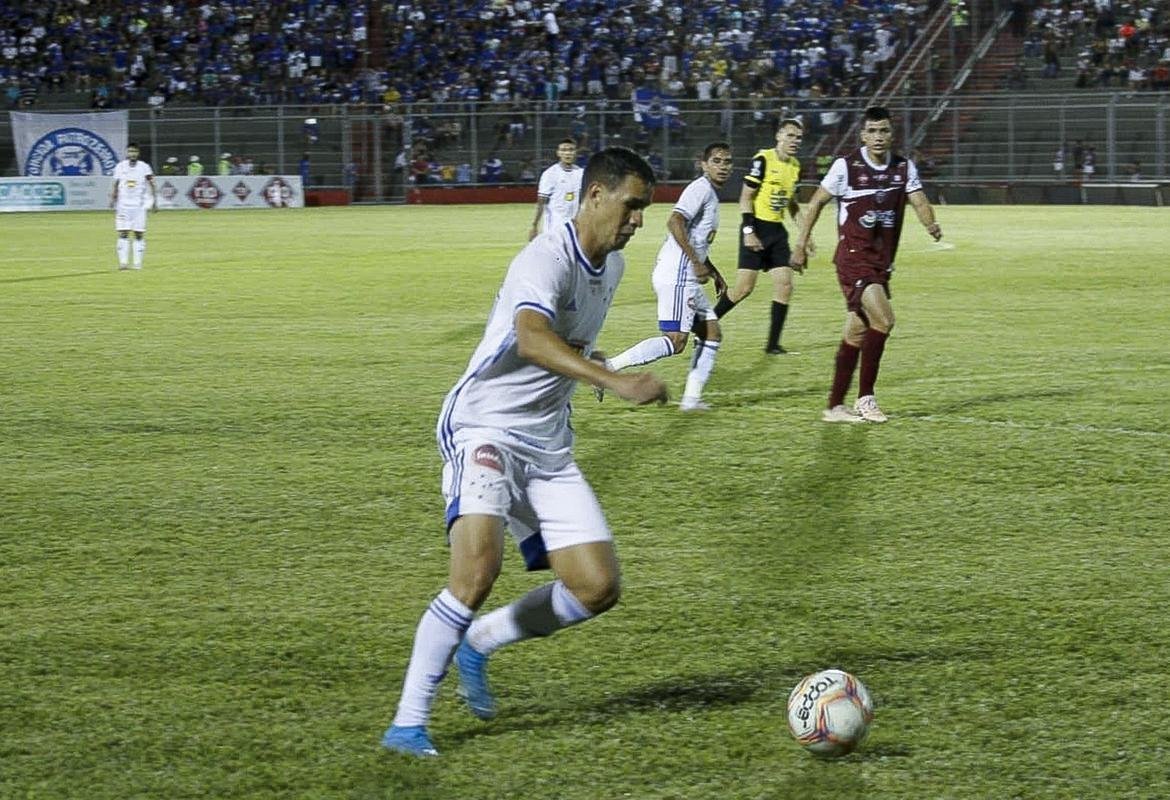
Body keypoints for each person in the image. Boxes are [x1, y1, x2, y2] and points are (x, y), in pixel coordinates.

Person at [381, 148, 667, 759]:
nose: (638, 220)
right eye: (631, 206)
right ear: (595, 196)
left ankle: (480, 642)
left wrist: (596, 366)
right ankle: (408, 723)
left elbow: (565, 346)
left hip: (547, 444)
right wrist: (612, 381)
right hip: (484, 426)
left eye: (644, 209)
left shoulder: (611, 266)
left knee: (596, 587)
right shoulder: (546, 256)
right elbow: (532, 338)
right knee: (476, 572)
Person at [791, 106, 942, 424]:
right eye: (872, 131)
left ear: (892, 134)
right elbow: (816, 202)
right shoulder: (846, 167)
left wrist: (931, 224)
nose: (878, 136)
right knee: (884, 320)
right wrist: (801, 244)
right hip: (853, 259)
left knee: (857, 332)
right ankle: (865, 398)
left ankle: (834, 406)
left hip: (880, 263)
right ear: (862, 135)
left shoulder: (903, 168)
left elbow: (918, 199)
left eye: (883, 130)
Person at [602, 142, 733, 411]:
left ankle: (691, 401)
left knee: (711, 333)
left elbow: (697, 239)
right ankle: (608, 368)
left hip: (686, 274)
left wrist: (713, 271)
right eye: (717, 161)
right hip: (679, 274)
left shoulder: (709, 194)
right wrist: (695, 262)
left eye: (727, 162)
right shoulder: (700, 189)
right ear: (704, 164)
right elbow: (675, 221)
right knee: (676, 341)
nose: (723, 166)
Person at [714, 118, 810, 355]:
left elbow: (791, 204)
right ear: (779, 136)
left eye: (798, 137)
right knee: (743, 289)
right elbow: (745, 197)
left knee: (785, 285)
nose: (795, 141)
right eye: (790, 135)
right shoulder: (763, 159)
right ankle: (702, 326)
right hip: (756, 228)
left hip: (777, 232)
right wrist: (748, 232)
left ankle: (773, 344)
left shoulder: (795, 166)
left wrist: (805, 235)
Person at [109, 142, 157, 270]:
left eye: (134, 151)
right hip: (123, 206)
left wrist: (154, 201)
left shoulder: (144, 167)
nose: (132, 154)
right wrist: (113, 198)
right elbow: (116, 184)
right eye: (130, 151)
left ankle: (137, 264)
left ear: (138, 153)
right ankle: (123, 263)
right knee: (123, 233)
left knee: (138, 234)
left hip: (139, 206)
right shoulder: (120, 166)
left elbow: (152, 183)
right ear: (127, 153)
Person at [529, 138, 584, 240]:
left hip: (575, 227)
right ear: (558, 153)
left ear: (576, 152)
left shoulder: (581, 173)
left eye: (571, 150)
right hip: (555, 228)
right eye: (564, 150)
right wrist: (535, 225)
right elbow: (541, 202)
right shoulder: (550, 174)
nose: (567, 153)